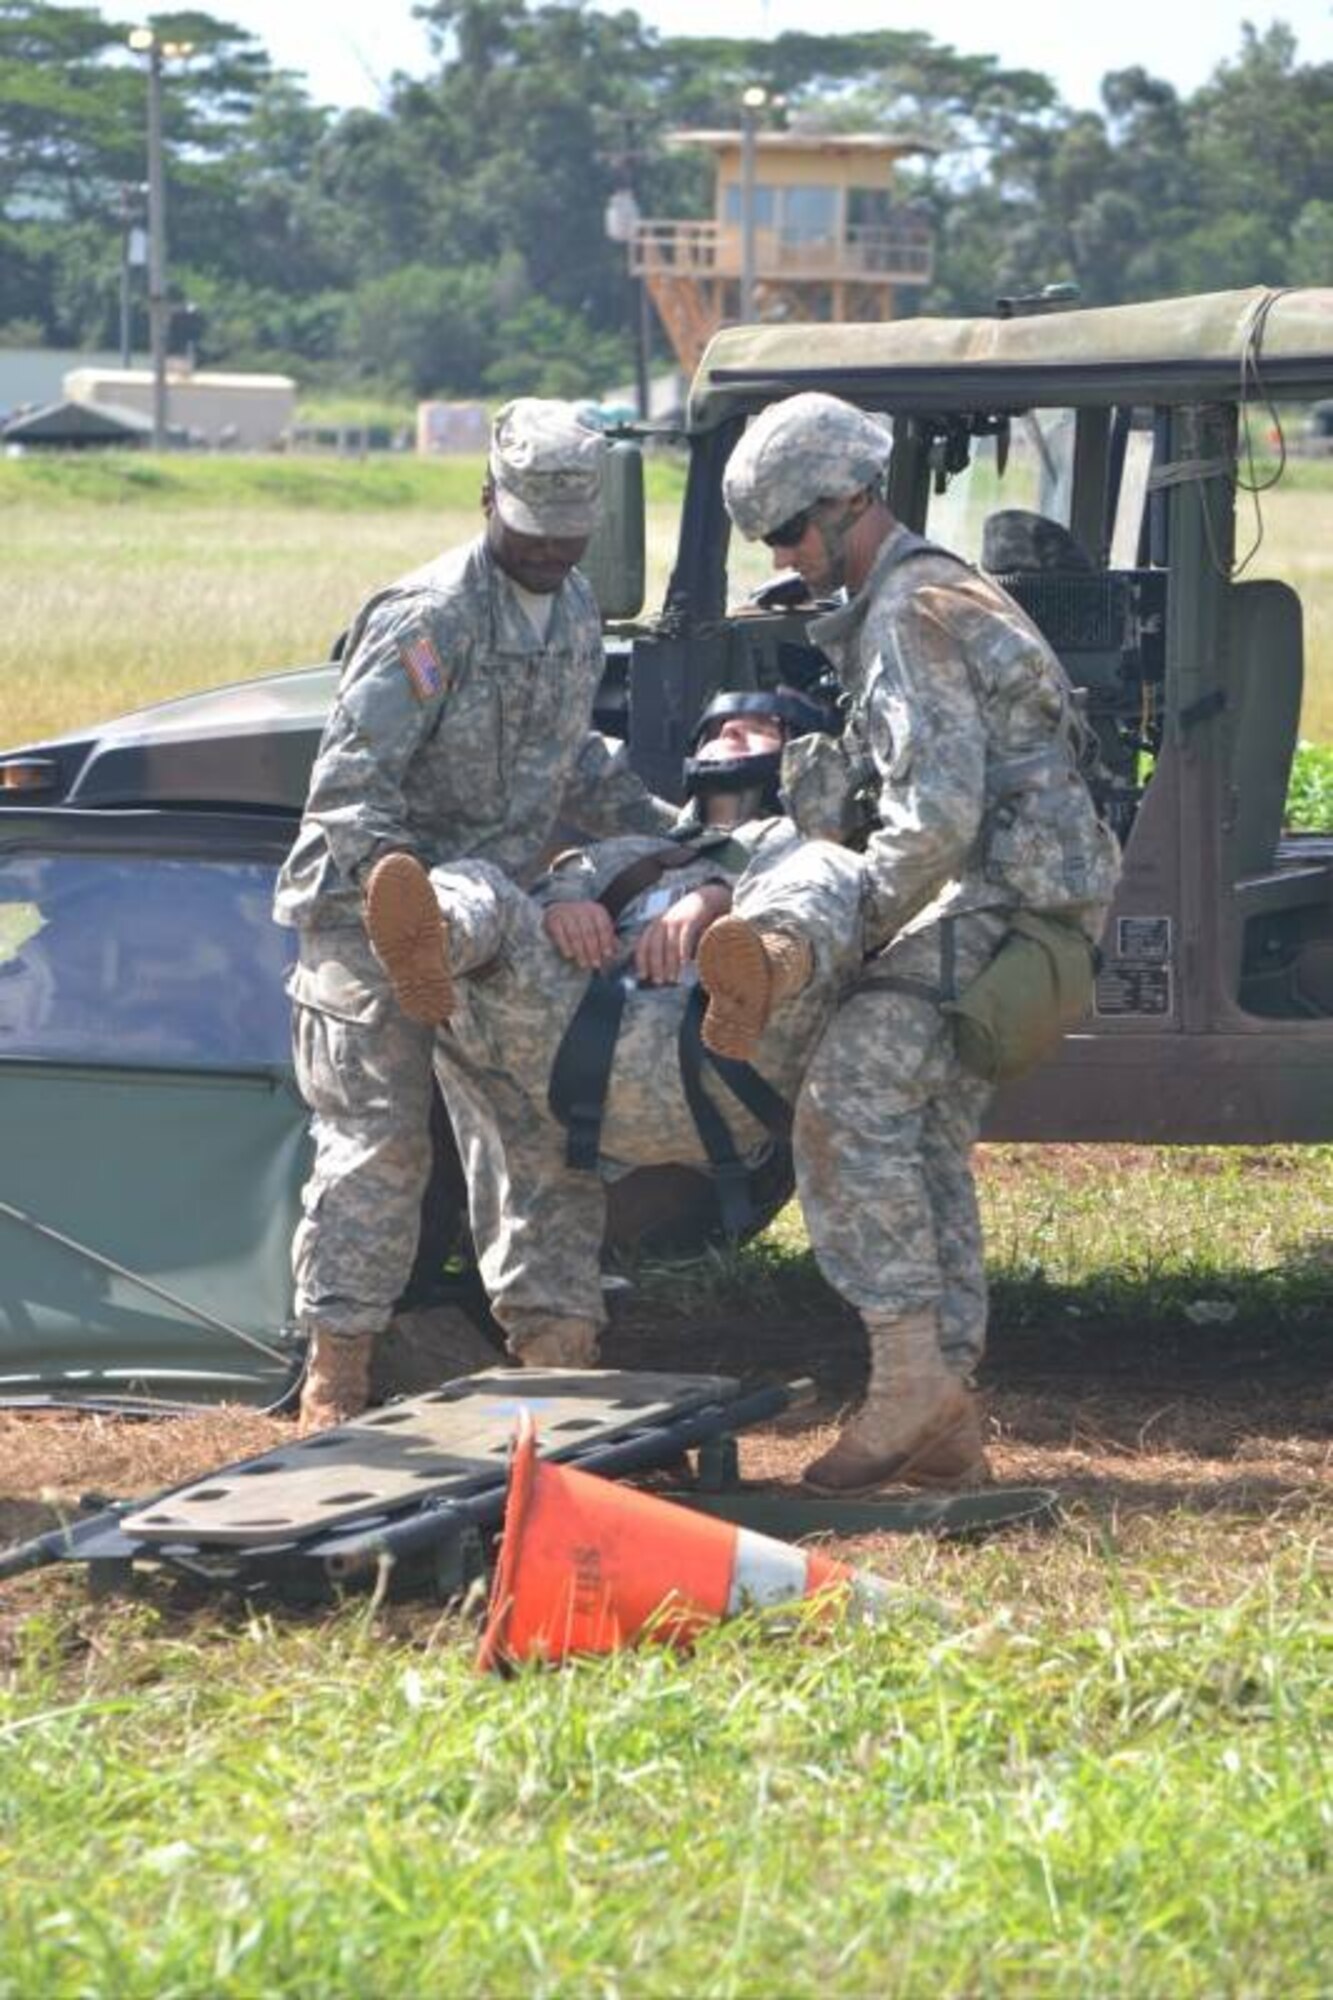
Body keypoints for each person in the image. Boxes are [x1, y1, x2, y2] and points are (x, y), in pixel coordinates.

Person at [711, 391, 1121, 1493]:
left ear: (848, 504)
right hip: (1026, 896)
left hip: (1003, 897)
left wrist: (846, 923)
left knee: (847, 1092)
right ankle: (941, 1405)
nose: (788, 557)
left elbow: (935, 819)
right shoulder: (924, 590)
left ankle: (908, 1379)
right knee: (923, 1120)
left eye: (793, 533)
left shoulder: (909, 610)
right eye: (769, 544)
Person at [273, 398, 675, 1431]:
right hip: (372, 915)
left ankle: (560, 1363)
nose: (547, 550)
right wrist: (415, 916)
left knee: (538, 1130)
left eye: (568, 532)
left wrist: (673, 832)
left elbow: (566, 757)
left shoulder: (577, 608)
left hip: (495, 917)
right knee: (378, 1145)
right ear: (488, 497)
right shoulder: (429, 614)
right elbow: (349, 790)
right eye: (531, 528)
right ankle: (337, 1381)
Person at [357, 687, 861, 1383]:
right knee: (477, 881)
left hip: (723, 1062)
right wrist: (565, 907)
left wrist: (715, 899)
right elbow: (563, 887)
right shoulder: (628, 853)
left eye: (757, 732)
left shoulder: (797, 849)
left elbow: (832, 892)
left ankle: (763, 959)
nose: (732, 741)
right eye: (720, 731)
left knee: (829, 868)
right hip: (573, 1058)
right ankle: (433, 943)